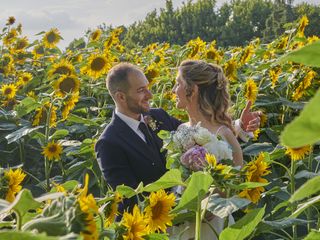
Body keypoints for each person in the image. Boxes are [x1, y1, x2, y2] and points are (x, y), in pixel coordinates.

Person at [95, 62, 260, 212]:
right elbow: (131, 199)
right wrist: (184, 209)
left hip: (201, 215)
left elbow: (203, 136)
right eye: (141, 90)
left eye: (147, 87)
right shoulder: (109, 143)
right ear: (121, 97)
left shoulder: (158, 116)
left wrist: (240, 127)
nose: (150, 95)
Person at [171, 60, 246, 239]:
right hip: (181, 224)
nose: (174, 90)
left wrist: (209, 203)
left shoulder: (224, 134)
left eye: (178, 83)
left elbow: (234, 185)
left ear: (193, 90)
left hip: (212, 225)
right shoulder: (181, 129)